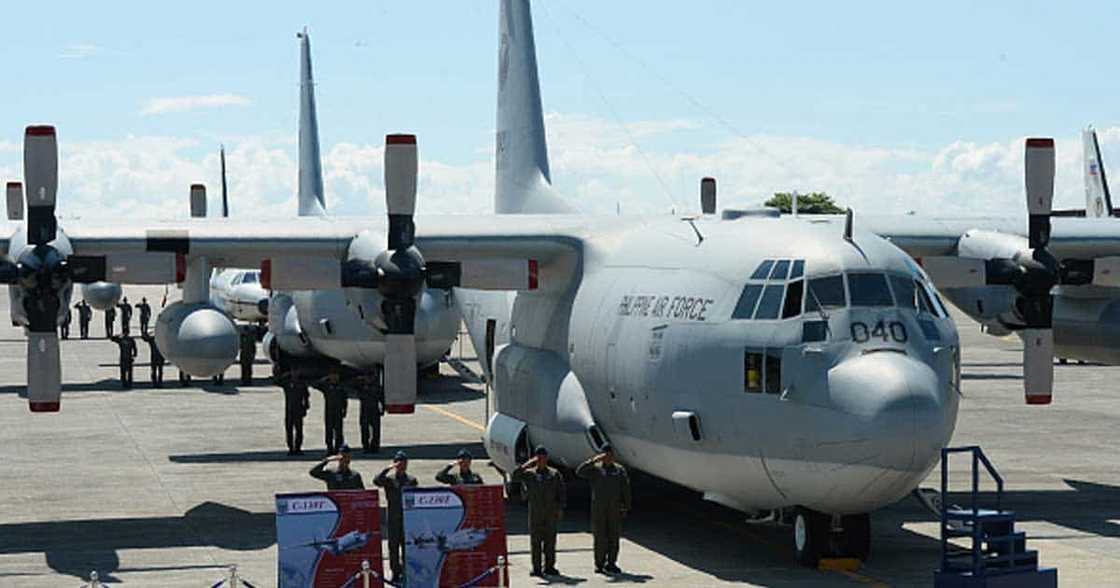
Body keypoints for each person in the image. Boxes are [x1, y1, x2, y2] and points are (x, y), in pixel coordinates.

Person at [512, 447, 566, 578]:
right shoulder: (530, 474)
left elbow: (561, 492)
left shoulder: (554, 474)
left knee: (550, 541)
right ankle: (536, 568)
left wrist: (560, 508)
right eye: (539, 457)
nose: (541, 460)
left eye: (543, 457)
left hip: (550, 513)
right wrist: (527, 464)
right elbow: (515, 477)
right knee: (536, 542)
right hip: (536, 513)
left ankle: (549, 566)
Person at [576, 446, 631, 575]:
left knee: (614, 537)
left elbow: (625, 488)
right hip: (599, 509)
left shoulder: (619, 470)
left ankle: (611, 563)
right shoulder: (596, 469)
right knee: (600, 537)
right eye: (605, 455)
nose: (608, 457)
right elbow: (579, 471)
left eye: (610, 455)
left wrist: (626, 506)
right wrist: (593, 460)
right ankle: (599, 564)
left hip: (614, 508)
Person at [374, 451, 419, 583]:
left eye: (404, 463)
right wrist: (388, 468)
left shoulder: (411, 480)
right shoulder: (389, 480)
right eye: (399, 463)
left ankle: (406, 571)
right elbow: (376, 481)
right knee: (393, 547)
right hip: (393, 517)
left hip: (407, 517)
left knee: (407, 547)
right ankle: (395, 571)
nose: (402, 466)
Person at [320, 376, 347, 456]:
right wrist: (326, 378)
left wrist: (344, 410)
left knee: (338, 432)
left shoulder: (341, 388)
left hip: (338, 412)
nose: (334, 379)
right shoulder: (326, 387)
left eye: (336, 377)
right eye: (333, 377)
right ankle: (330, 448)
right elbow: (316, 384)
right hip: (329, 413)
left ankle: (338, 448)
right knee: (329, 431)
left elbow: (345, 400)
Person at [283, 382, 310, 455]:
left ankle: (298, 447)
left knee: (299, 430)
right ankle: (291, 448)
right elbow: (277, 381)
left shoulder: (302, 385)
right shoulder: (287, 384)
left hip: (298, 410)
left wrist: (305, 408)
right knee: (289, 430)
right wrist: (287, 374)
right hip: (289, 411)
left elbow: (306, 397)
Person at [357, 382, 382, 454]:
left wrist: (382, 409)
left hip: (374, 410)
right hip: (365, 410)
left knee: (376, 430)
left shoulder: (376, 387)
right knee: (365, 430)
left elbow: (381, 398)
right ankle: (366, 446)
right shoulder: (361, 387)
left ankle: (375, 446)